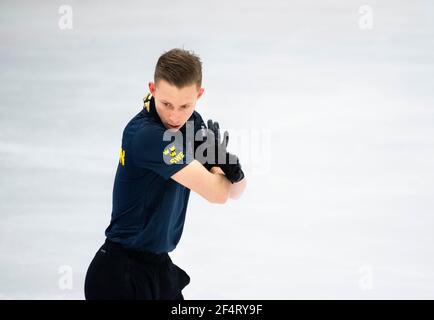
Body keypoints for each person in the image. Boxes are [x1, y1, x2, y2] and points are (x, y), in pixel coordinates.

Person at [84, 48, 247, 300]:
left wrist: (233, 168)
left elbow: (235, 192)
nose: (174, 115)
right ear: (153, 89)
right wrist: (218, 166)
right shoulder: (148, 136)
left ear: (199, 95)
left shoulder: (192, 124)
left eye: (185, 106)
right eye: (166, 104)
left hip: (158, 271)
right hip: (120, 277)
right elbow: (217, 193)